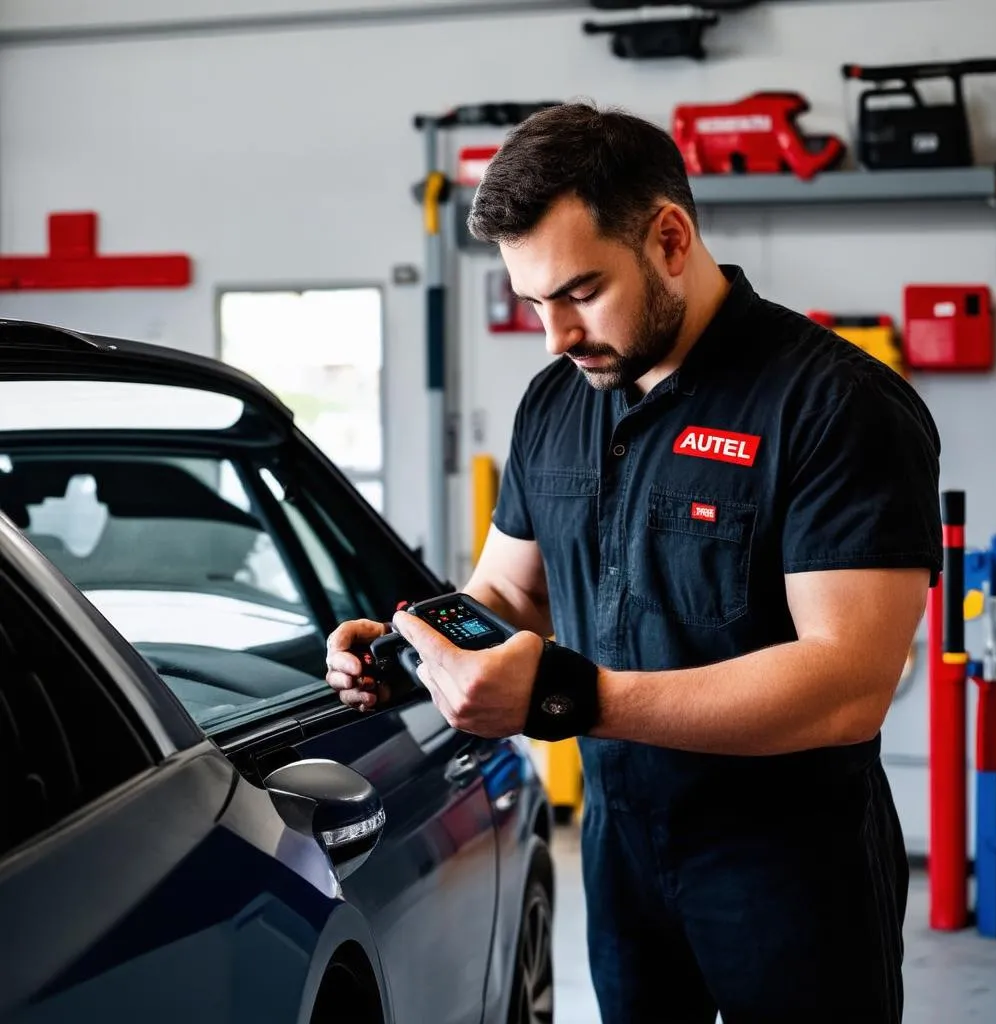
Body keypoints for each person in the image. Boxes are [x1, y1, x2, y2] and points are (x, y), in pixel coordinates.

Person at [326, 102, 942, 1023]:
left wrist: (577, 698)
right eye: (533, 302)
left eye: (578, 292)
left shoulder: (835, 406)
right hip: (622, 853)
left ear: (668, 238)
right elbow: (509, 592)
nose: (555, 335)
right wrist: (415, 641)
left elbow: (849, 680)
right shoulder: (555, 403)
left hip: (790, 865)